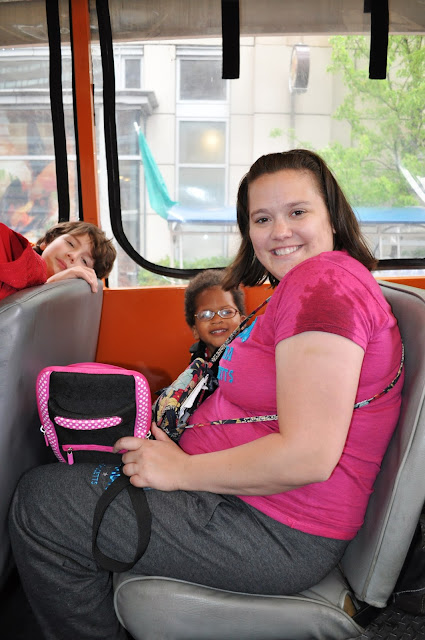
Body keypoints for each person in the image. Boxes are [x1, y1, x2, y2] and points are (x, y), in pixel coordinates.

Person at [9, 150, 404, 640]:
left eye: (298, 212)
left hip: (272, 526)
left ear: (333, 217)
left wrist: (180, 471)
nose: (279, 231)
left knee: (42, 504)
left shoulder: (325, 287)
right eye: (262, 219)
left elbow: (308, 456)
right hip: (242, 499)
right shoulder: (304, 286)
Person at [0, 220, 116, 301]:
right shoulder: (12, 248)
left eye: (84, 261)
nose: (73, 256)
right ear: (47, 241)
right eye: (70, 243)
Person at [184, 269, 246, 367]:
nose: (217, 320)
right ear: (195, 331)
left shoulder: (252, 357)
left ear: (242, 322)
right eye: (205, 315)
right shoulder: (197, 357)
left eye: (226, 312)